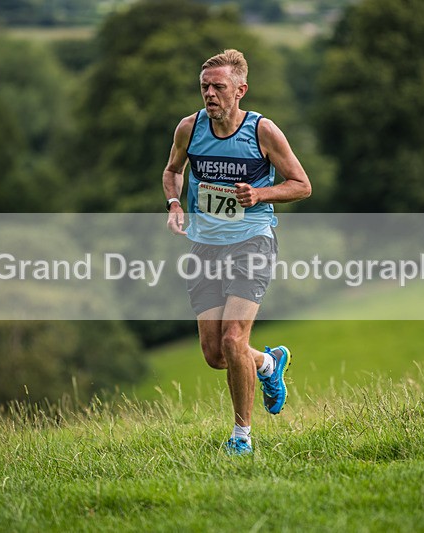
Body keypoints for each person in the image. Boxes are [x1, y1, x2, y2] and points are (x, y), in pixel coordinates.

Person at [162, 49, 311, 455]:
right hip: (204, 246)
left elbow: (301, 184)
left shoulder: (263, 132)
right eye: (204, 86)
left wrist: (260, 193)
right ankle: (267, 363)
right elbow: (172, 171)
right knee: (215, 355)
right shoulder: (189, 129)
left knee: (232, 339)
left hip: (252, 242)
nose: (209, 93)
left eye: (218, 87)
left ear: (240, 90)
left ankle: (241, 437)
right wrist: (175, 205)